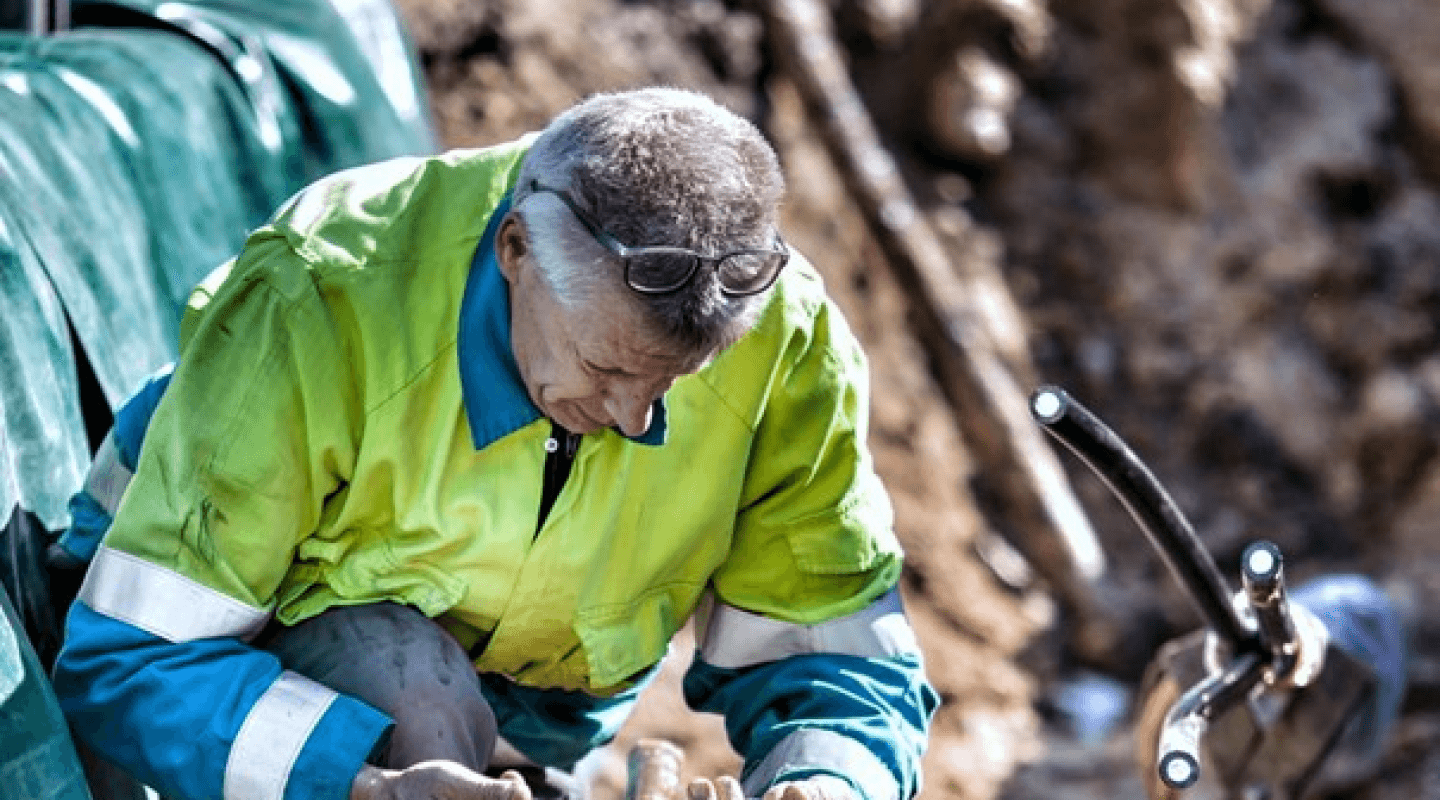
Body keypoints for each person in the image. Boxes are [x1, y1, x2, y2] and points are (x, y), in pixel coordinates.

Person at [52, 87, 939, 800]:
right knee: (419, 709)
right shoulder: (323, 295)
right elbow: (130, 660)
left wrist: (825, 784)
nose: (636, 419)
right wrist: (362, 785)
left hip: (534, 724)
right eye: (605, 367)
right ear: (516, 250)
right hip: (226, 662)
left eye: (675, 380)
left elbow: (839, 663)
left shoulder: (786, 348)